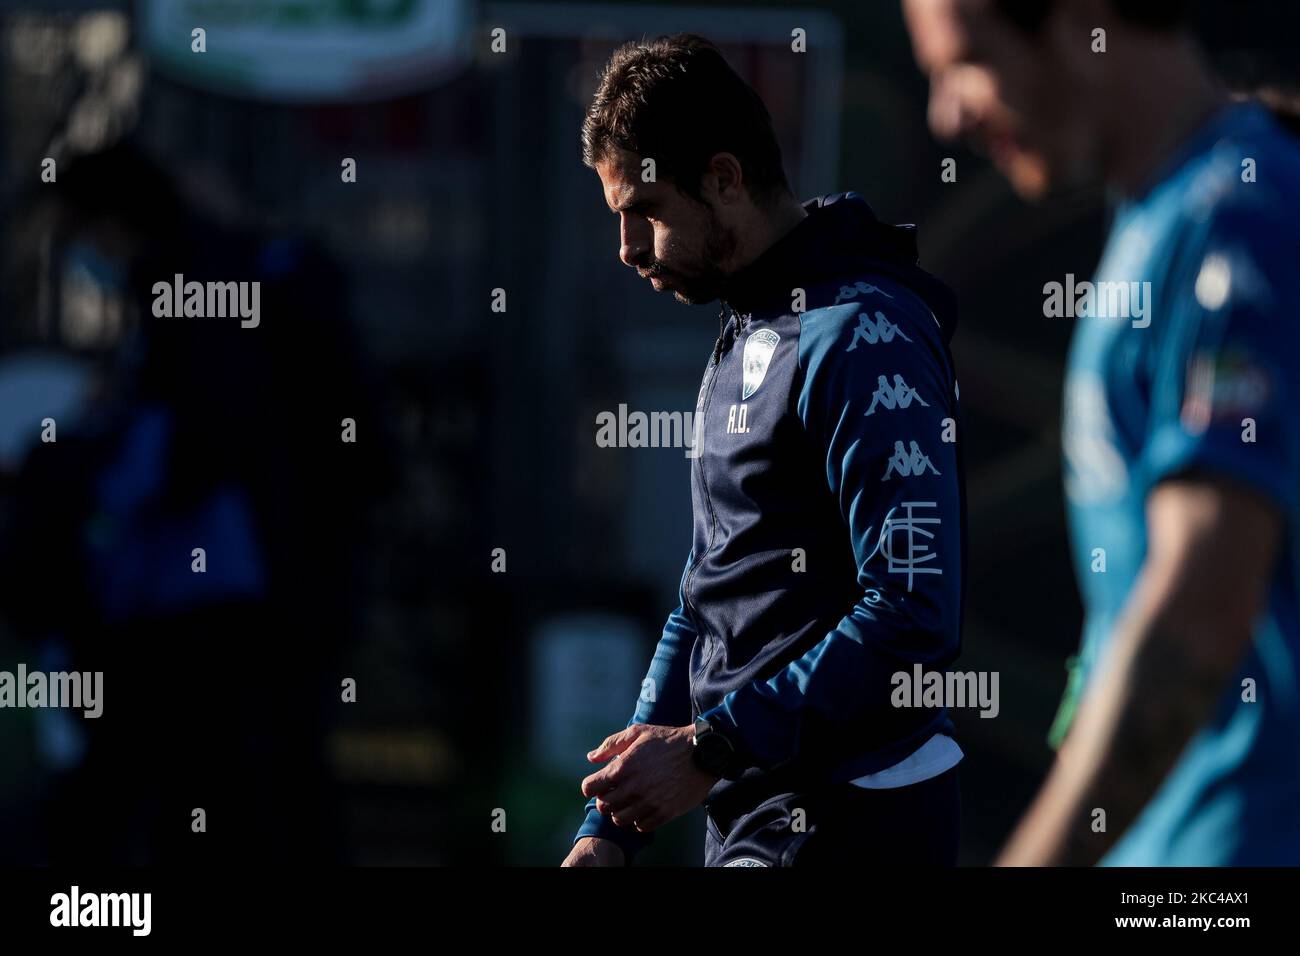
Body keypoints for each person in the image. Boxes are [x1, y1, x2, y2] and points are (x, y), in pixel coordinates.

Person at [904, 0, 1300, 864]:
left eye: (967, 60)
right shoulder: (1165, 213)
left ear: (1084, 24)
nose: (949, 112)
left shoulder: (1238, 216)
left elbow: (1200, 608)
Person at [561, 34, 966, 867]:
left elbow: (912, 610)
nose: (630, 250)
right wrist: (610, 826)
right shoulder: (749, 323)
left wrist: (708, 749)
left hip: (856, 817)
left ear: (724, 178)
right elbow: (708, 595)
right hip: (752, 809)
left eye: (648, 214)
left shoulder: (863, 335)